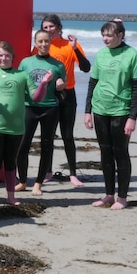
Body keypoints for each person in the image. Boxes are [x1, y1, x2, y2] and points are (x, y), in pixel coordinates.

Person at [0, 41, 51, 207]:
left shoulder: (22, 75)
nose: (4, 58)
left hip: (16, 126)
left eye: (7, 55)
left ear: (12, 57)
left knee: (10, 161)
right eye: (0, 55)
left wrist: (43, 84)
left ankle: (11, 196)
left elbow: (36, 98)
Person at [84, 20, 137, 210]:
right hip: (100, 109)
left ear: (120, 35)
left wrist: (132, 117)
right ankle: (109, 195)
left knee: (121, 153)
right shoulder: (101, 54)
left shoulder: (132, 55)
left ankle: (122, 198)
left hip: (121, 111)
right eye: (103, 35)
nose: (105, 39)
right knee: (105, 153)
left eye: (109, 35)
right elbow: (93, 83)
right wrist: (87, 111)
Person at [38, 14, 91, 187]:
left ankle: (73, 174)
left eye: (51, 27)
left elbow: (86, 68)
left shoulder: (70, 46)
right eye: (45, 28)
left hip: (67, 95)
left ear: (59, 27)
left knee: (67, 135)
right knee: (47, 136)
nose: (48, 30)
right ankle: (47, 171)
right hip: (48, 95)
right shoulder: (41, 46)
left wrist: (75, 48)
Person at [17, 30, 66, 195]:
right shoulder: (25, 63)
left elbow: (62, 90)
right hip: (29, 107)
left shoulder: (57, 65)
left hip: (50, 108)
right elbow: (19, 85)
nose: (44, 44)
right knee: (22, 146)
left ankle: (38, 183)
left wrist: (60, 86)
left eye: (46, 41)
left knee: (46, 146)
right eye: (40, 41)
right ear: (35, 42)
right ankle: (23, 181)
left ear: (50, 42)